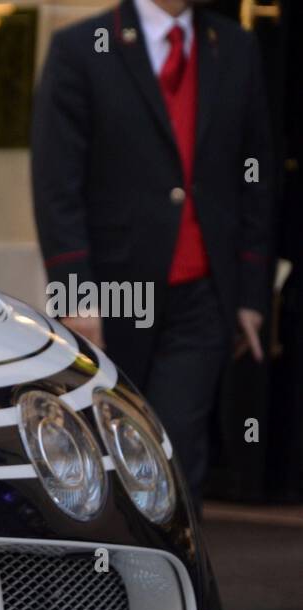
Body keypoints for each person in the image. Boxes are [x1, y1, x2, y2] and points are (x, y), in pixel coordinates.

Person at [31, 0, 274, 506]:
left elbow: (256, 171)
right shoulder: (81, 48)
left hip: (205, 292)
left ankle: (174, 580)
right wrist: (76, 290)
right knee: (108, 448)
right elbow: (57, 184)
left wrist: (252, 292)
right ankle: (103, 579)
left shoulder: (236, 47)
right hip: (117, 290)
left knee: (177, 453)